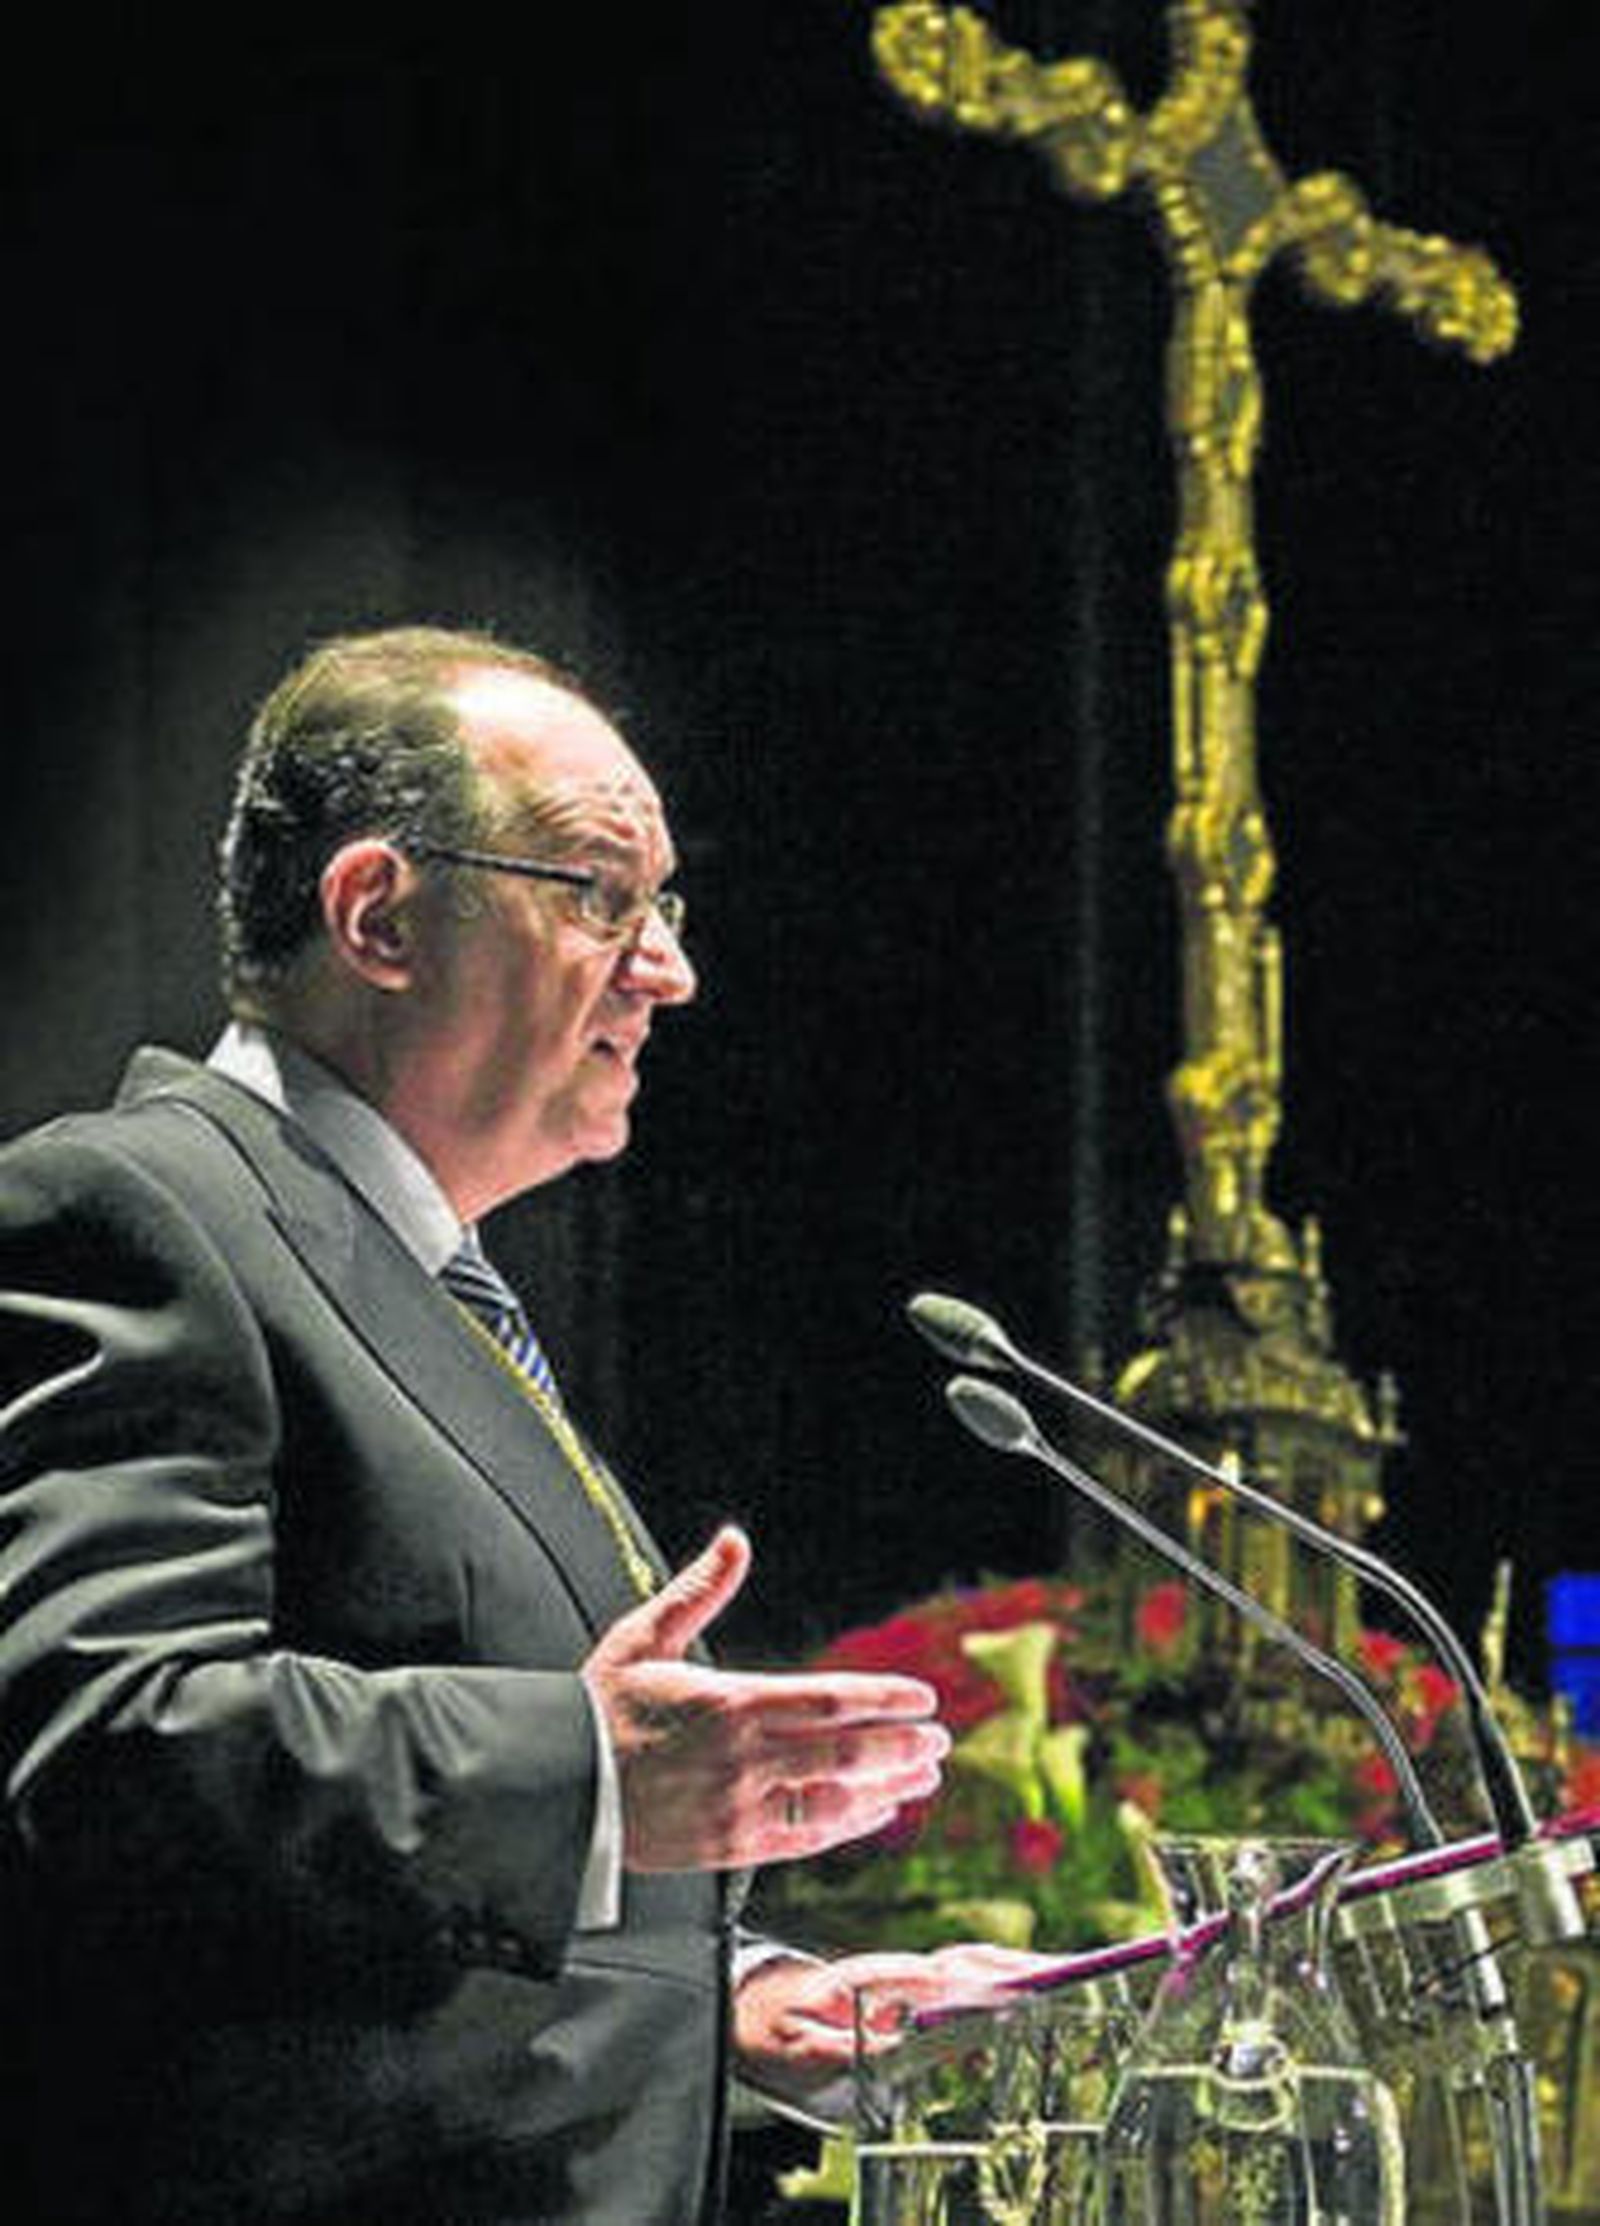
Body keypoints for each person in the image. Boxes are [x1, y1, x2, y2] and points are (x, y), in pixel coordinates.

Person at [0, 627, 1035, 2226]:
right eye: (599, 894)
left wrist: (743, 1999)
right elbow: (108, 1744)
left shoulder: (431, 1283)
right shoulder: (141, 1207)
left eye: (665, 906)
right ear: (378, 916)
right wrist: (595, 1776)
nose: (667, 966)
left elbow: (437, 1898)